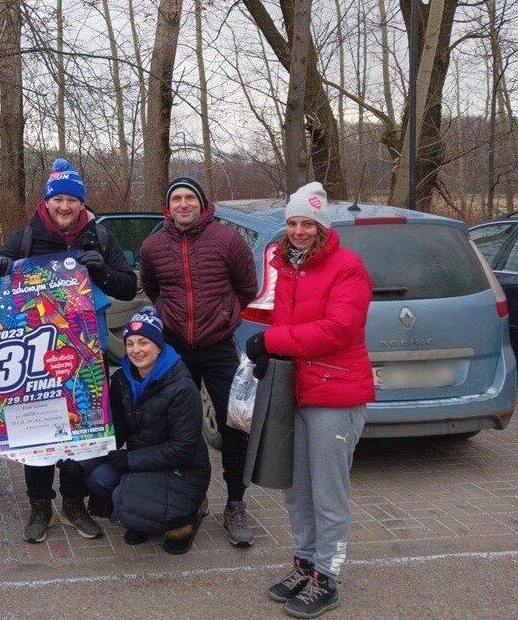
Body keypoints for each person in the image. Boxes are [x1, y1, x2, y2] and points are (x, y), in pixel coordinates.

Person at [0, 158, 137, 543]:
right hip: (37, 354)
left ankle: (73, 505)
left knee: (79, 431)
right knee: (38, 431)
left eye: (72, 200)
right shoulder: (27, 237)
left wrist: (102, 272)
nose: (65, 207)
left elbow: (128, 287)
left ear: (82, 204)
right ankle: (40, 507)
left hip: (84, 352)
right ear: (47, 202)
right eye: (58, 199)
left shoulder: (99, 237)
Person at [244, 182, 373, 618]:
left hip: (334, 392)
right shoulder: (287, 265)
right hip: (293, 390)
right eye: (293, 222)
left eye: (308, 223)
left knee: (327, 493)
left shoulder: (348, 267)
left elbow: (339, 329)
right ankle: (303, 563)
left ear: (322, 226)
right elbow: (283, 319)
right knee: (296, 488)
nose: (299, 230)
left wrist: (273, 340)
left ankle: (327, 578)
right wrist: (270, 358)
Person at [139, 176, 258, 547]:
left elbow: (247, 288)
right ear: (167, 206)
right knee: (181, 430)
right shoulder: (153, 246)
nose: (184, 204)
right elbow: (153, 289)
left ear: (202, 204)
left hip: (220, 347)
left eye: (190, 197)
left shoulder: (228, 240)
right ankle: (194, 495)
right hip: (174, 351)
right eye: (177, 198)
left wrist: (223, 316)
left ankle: (235, 503)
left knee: (234, 426)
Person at [81, 307, 211, 554]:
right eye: (129, 343)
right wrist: (84, 461)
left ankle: (185, 519)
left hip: (182, 470)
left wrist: (129, 460)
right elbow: (116, 430)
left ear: (159, 345)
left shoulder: (182, 386)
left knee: (122, 493)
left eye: (143, 342)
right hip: (145, 465)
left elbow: (182, 448)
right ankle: (142, 514)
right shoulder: (122, 379)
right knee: (97, 477)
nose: (135, 350)